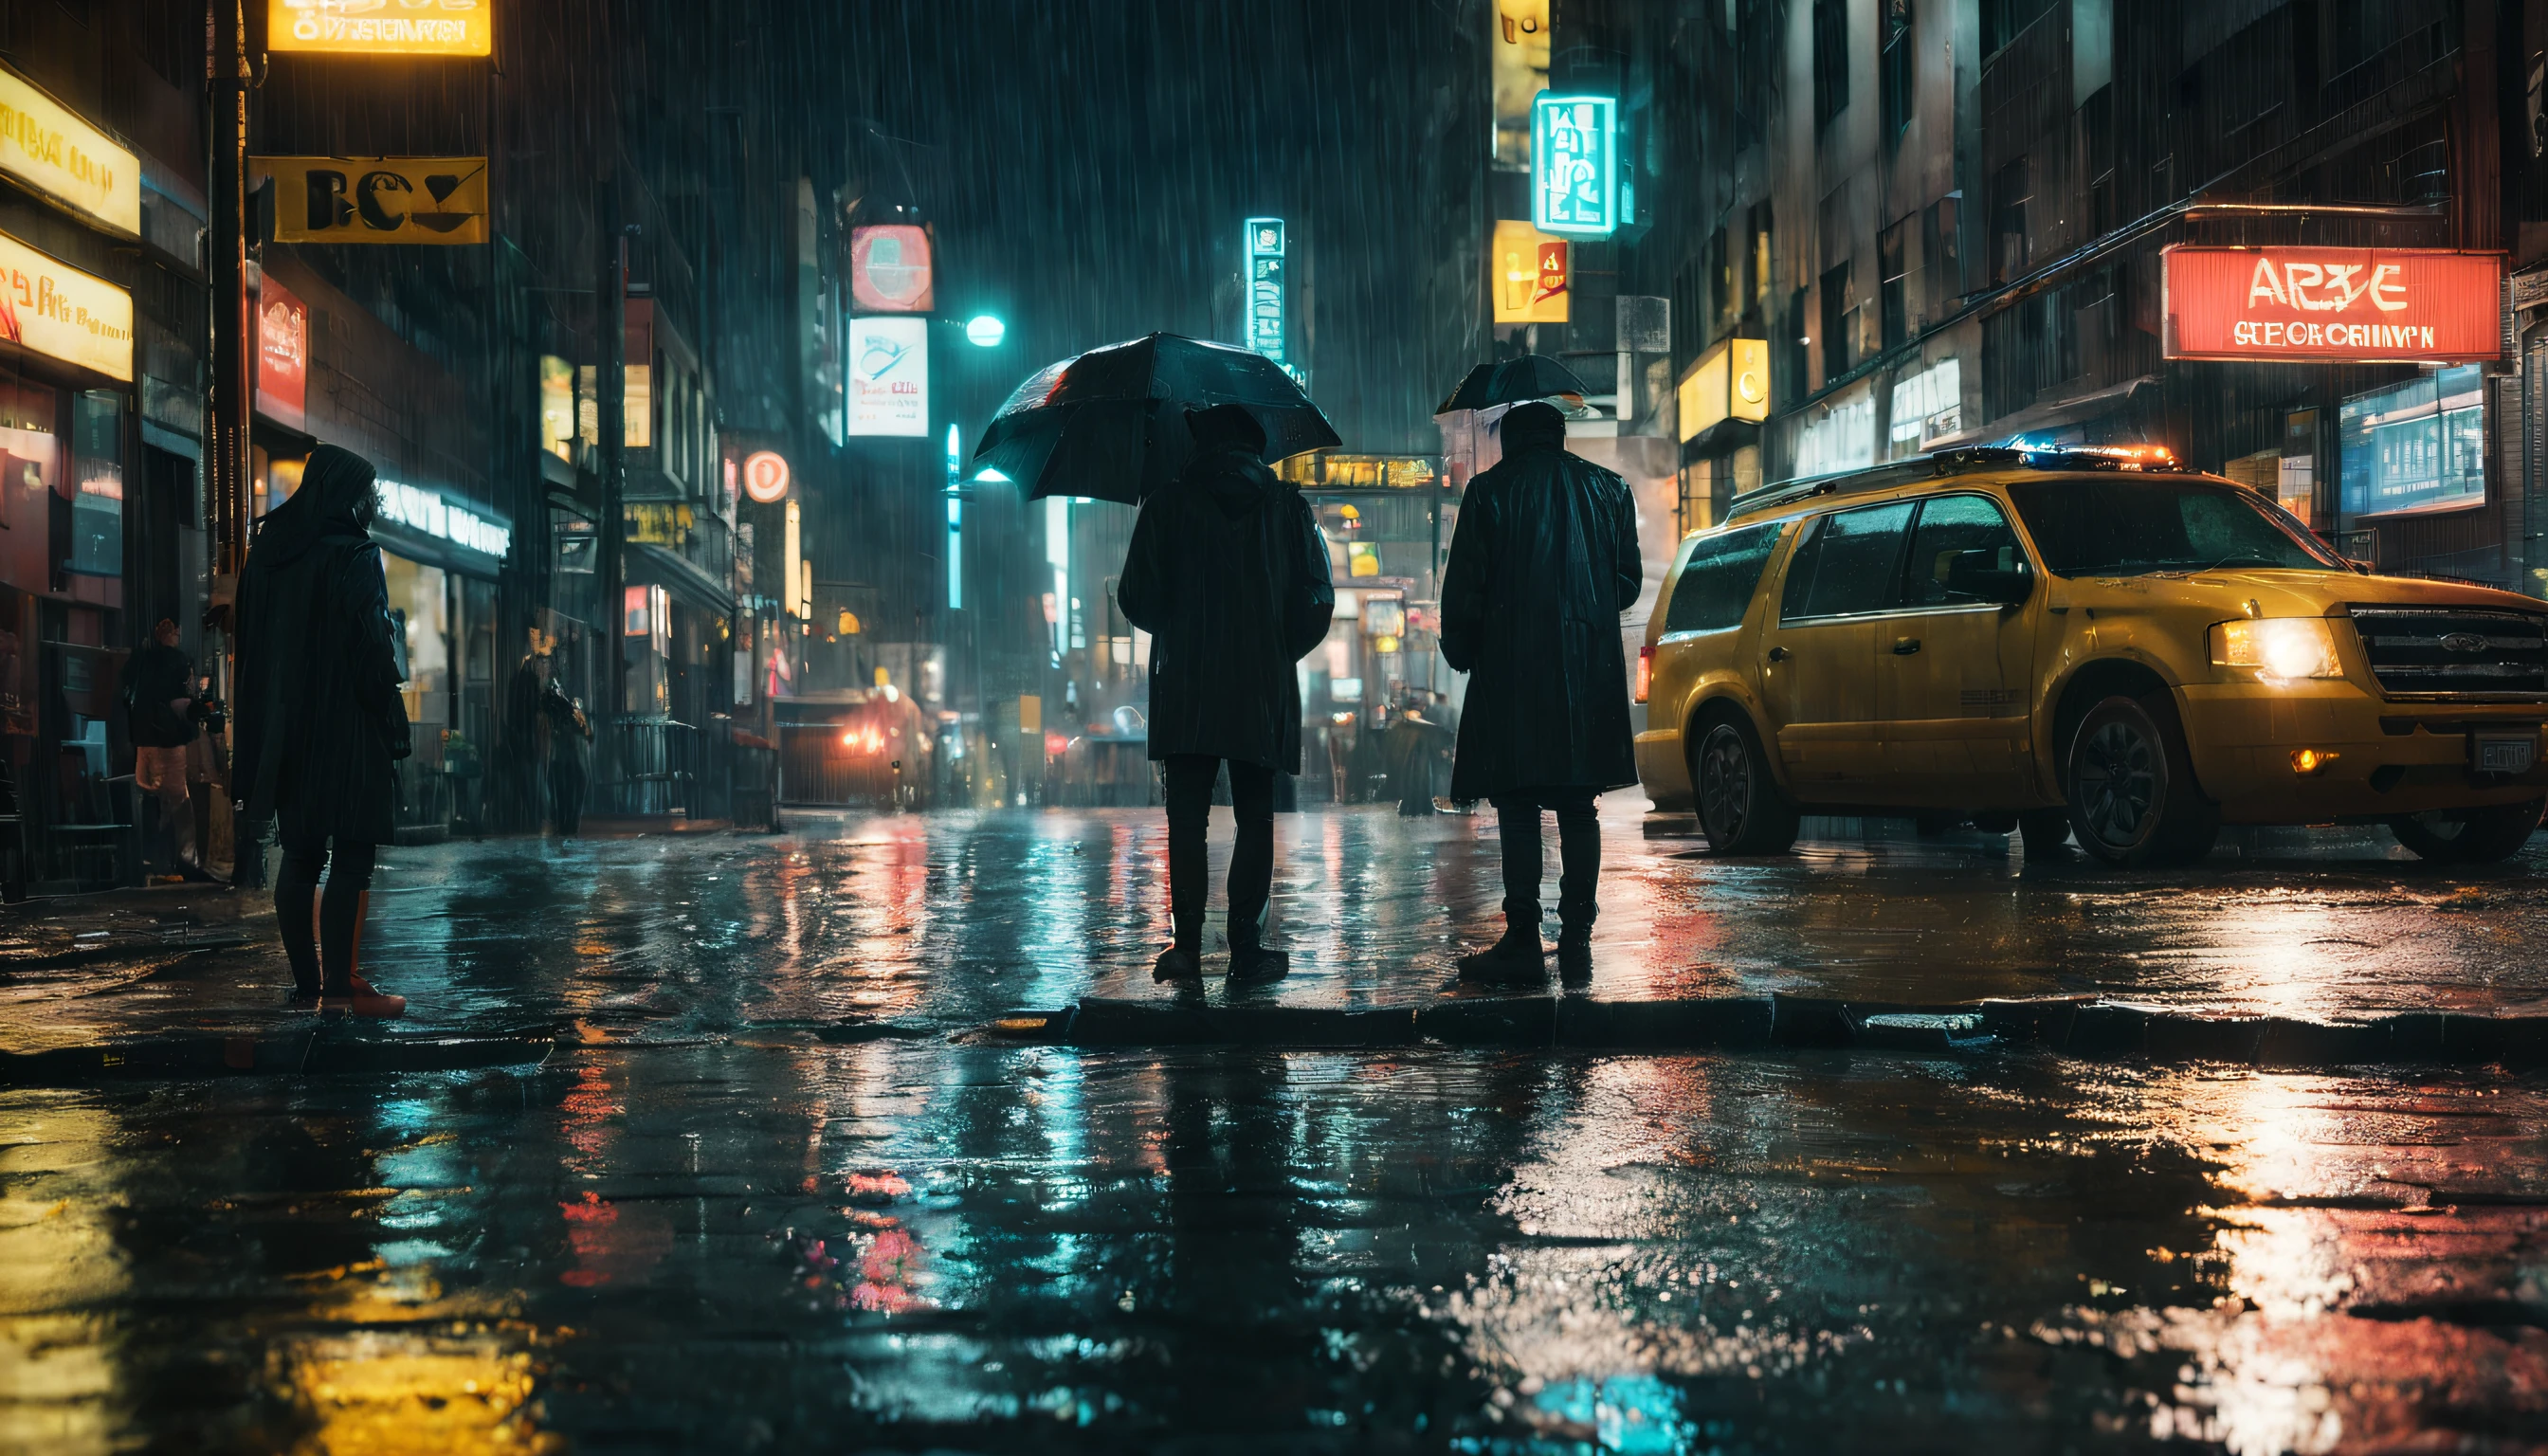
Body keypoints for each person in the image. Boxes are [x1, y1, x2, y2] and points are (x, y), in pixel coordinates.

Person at [1118, 403, 1334, 984]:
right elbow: (1318, 597)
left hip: (1185, 684)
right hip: (1259, 687)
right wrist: (1273, 646)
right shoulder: (1288, 506)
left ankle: (1186, 947)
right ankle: (1246, 948)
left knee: (1186, 818)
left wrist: (1181, 625)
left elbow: (1136, 598)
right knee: (1255, 817)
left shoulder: (1167, 504)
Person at [1439, 401, 1642, 984]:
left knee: (1520, 804)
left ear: (1513, 440)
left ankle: (1523, 938)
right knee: (1580, 806)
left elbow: (1467, 590)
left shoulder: (1488, 492)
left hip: (1512, 669)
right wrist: (1584, 597)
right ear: (1559, 436)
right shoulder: (1609, 490)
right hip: (1586, 669)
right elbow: (1626, 582)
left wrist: (1462, 648)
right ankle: (1577, 934)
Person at [231, 445, 410, 1015]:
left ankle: (310, 986)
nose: (374, 503)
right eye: (370, 494)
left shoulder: (268, 556)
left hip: (288, 733)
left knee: (301, 855)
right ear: (350, 497)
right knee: (352, 854)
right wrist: (389, 708)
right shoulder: (355, 556)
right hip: (348, 728)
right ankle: (339, 991)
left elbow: (252, 652)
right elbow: (370, 651)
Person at [124, 617, 204, 877]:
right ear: (171, 634)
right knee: (180, 805)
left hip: (143, 745)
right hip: (168, 743)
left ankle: (150, 859)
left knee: (150, 802)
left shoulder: (142, 660)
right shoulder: (178, 662)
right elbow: (182, 703)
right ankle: (185, 861)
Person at [543, 681, 592, 834]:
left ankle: (564, 828)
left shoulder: (564, 722)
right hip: (572, 764)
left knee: (563, 800)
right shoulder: (576, 719)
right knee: (571, 802)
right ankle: (569, 828)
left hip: (565, 763)